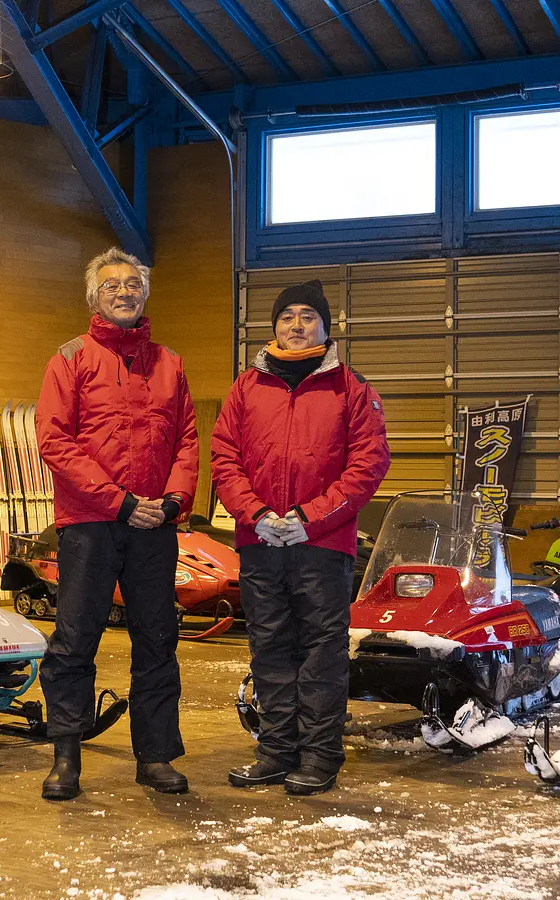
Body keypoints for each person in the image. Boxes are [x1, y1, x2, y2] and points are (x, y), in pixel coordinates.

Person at [211, 279, 390, 796]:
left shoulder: (351, 389)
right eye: (286, 316)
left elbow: (368, 464)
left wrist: (311, 518)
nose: (295, 325)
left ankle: (319, 756)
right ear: (273, 326)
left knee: (321, 652)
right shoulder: (246, 388)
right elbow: (225, 459)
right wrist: (256, 513)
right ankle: (275, 751)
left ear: (325, 326)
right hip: (260, 541)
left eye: (307, 316)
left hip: (322, 545)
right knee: (269, 648)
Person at [35, 247, 199, 801]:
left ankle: (155, 756)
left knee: (157, 638)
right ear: (94, 298)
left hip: (155, 523)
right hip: (90, 521)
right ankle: (66, 754)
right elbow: (55, 441)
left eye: (133, 284)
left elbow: (186, 439)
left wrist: (175, 500)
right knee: (75, 637)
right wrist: (119, 501)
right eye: (112, 286)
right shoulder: (70, 358)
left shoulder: (169, 363)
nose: (124, 292)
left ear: (145, 294)